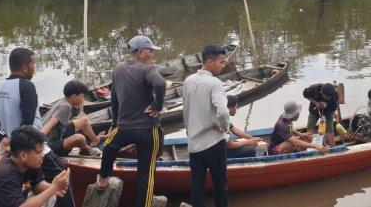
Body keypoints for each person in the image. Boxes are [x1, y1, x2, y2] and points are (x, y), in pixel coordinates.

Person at [0, 48, 74, 207]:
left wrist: (3, 138)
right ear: (24, 67)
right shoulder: (26, 86)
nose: (35, 67)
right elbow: (27, 122)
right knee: (62, 174)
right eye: (33, 63)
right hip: (30, 146)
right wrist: (19, 144)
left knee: (31, 181)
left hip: (11, 147)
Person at [96, 35, 166, 207]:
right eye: (150, 51)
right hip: (149, 130)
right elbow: (161, 84)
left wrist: (114, 124)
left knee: (109, 147)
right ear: (141, 52)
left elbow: (114, 100)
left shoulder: (118, 68)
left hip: (124, 128)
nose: (152, 55)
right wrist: (157, 104)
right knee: (146, 174)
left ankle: (103, 177)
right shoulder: (148, 69)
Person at [0, 126, 70, 207]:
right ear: (23, 155)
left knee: (50, 196)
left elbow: (36, 185)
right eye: (39, 152)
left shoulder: (30, 164)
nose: (43, 155)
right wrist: (53, 188)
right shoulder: (5, 175)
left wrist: (55, 187)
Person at [183, 45, 230, 207]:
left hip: (194, 144)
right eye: (221, 62)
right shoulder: (214, 83)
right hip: (214, 142)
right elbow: (223, 111)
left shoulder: (188, 81)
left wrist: (190, 133)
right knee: (220, 184)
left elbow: (186, 111)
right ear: (209, 62)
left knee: (197, 186)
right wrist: (224, 128)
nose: (223, 65)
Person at [41, 80, 101, 157]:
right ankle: (85, 150)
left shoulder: (63, 101)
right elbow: (51, 123)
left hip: (59, 135)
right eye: (82, 96)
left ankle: (95, 140)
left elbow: (59, 122)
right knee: (80, 138)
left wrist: (73, 121)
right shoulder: (65, 107)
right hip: (51, 145)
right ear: (74, 97)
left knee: (84, 121)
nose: (83, 99)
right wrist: (38, 141)